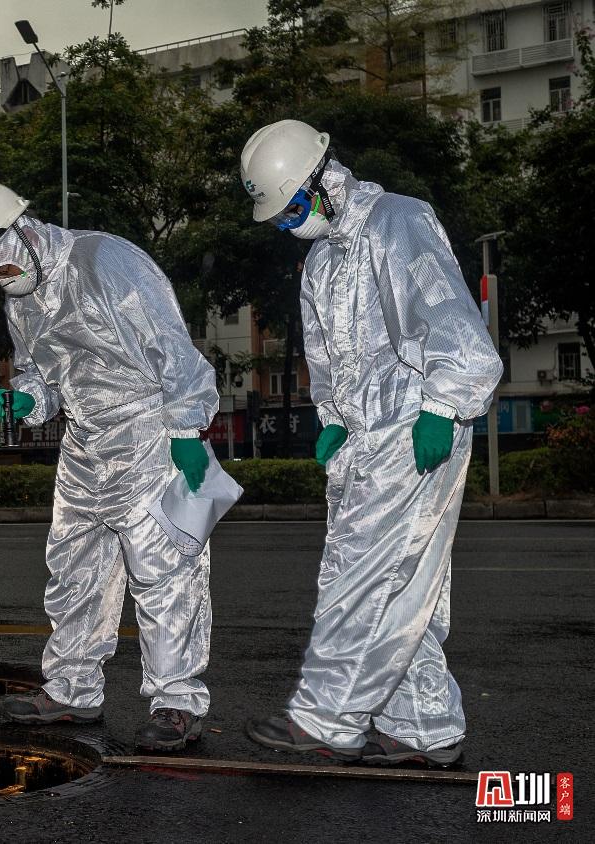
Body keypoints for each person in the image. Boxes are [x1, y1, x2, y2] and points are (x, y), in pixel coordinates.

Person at [238, 120, 502, 766]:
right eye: (280, 218)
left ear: (324, 181)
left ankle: (325, 716)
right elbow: (327, 352)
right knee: (399, 583)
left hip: (415, 426)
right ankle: (424, 725)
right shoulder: (323, 259)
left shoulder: (397, 222)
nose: (289, 225)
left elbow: (450, 318)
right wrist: (332, 415)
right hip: (365, 436)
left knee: (367, 577)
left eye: (292, 209)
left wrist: (443, 407)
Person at [0, 182, 220, 752]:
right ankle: (72, 689)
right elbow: (42, 376)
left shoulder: (104, 260)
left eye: (1, 265)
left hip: (148, 430)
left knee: (164, 570)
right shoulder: (20, 300)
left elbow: (172, 346)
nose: (0, 279)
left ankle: (177, 702)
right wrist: (28, 398)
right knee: (75, 568)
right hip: (84, 440)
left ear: (21, 229)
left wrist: (188, 429)